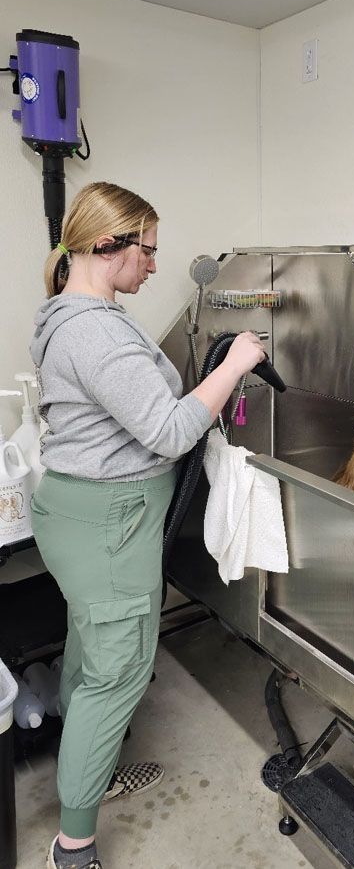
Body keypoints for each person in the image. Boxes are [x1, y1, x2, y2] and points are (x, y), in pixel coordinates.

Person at [29, 181, 265, 869]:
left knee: (90, 654)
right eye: (148, 251)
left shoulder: (71, 312)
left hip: (85, 518)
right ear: (108, 246)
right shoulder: (95, 330)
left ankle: (88, 774)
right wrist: (241, 362)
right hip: (110, 526)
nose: (155, 266)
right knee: (118, 674)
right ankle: (74, 846)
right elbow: (166, 431)